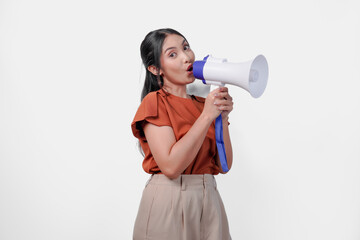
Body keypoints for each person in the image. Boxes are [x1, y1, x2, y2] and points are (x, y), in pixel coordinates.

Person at [131, 28, 233, 240]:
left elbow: (225, 165)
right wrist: (206, 117)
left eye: (186, 47)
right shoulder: (155, 102)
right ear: (155, 68)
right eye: (172, 54)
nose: (187, 57)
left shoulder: (204, 105)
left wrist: (221, 117)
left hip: (210, 199)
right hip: (170, 200)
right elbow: (171, 166)